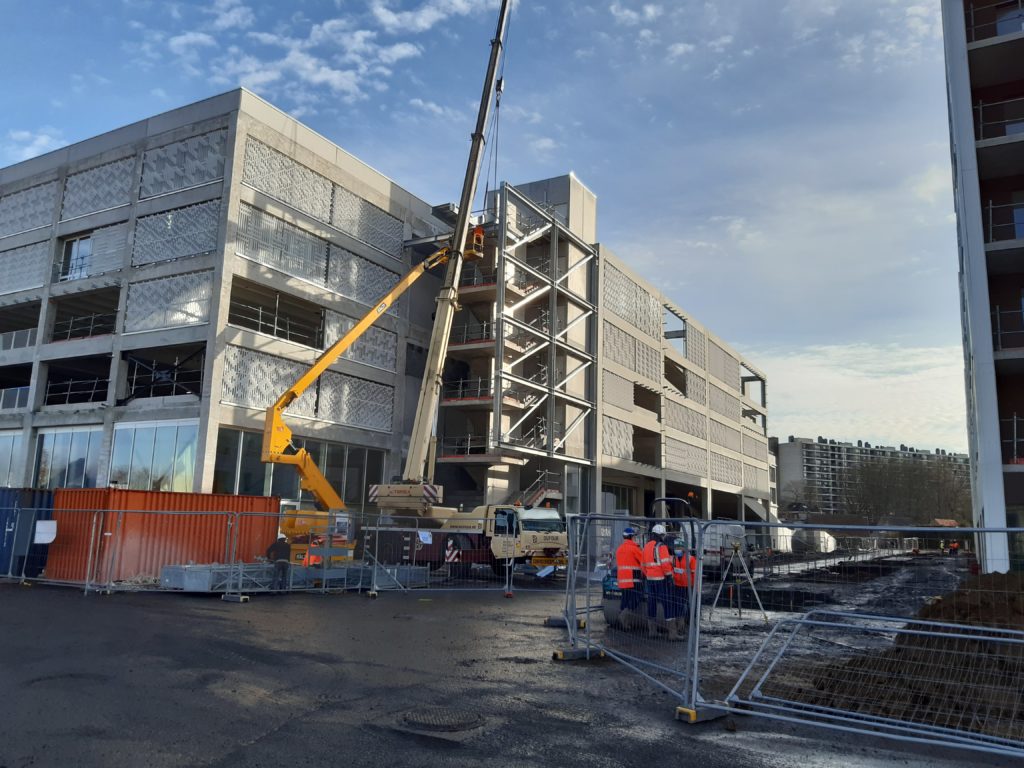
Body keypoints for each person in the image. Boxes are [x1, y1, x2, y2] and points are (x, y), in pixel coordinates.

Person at [642, 524, 677, 639]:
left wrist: (648, 574)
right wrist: (669, 577)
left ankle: (652, 631)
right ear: (661, 535)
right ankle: (672, 633)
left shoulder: (646, 546)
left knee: (652, 604)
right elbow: (665, 564)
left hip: (650, 580)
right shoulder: (661, 546)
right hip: (661, 580)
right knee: (667, 604)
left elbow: (642, 565)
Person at [614, 527, 644, 629]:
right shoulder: (634, 548)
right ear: (631, 537)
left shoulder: (619, 549)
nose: (635, 538)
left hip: (622, 581)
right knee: (636, 599)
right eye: (635, 536)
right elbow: (643, 562)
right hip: (633, 580)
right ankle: (622, 618)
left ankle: (623, 625)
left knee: (625, 601)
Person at [670, 541, 698, 639]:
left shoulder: (691, 559)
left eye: (679, 547)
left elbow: (695, 574)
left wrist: (694, 587)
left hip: (688, 586)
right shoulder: (673, 558)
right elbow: (671, 570)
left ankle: (689, 626)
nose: (677, 549)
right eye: (676, 547)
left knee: (687, 606)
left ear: (684, 548)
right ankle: (680, 627)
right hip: (677, 585)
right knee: (679, 606)